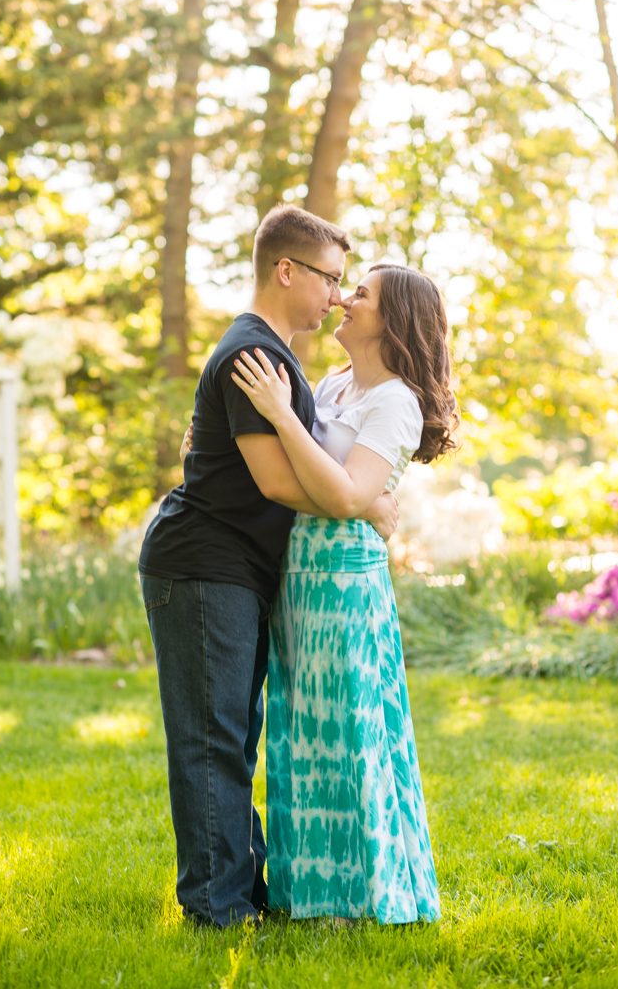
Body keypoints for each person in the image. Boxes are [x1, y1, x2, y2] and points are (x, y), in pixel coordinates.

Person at [138, 206, 399, 928]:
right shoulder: (255, 354)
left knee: (231, 735)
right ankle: (216, 908)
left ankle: (241, 889)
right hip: (201, 565)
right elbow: (279, 482)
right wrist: (362, 506)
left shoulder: (271, 353)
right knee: (211, 737)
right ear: (286, 270)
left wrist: (364, 498)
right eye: (329, 279)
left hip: (231, 567)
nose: (338, 297)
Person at [230, 263, 459, 924]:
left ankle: (362, 897)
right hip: (293, 577)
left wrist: (281, 413)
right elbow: (319, 481)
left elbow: (352, 493)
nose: (344, 299)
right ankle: (307, 893)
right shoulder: (330, 383)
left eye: (361, 294)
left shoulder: (394, 401)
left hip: (343, 585)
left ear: (393, 320)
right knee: (301, 738)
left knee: (349, 733)